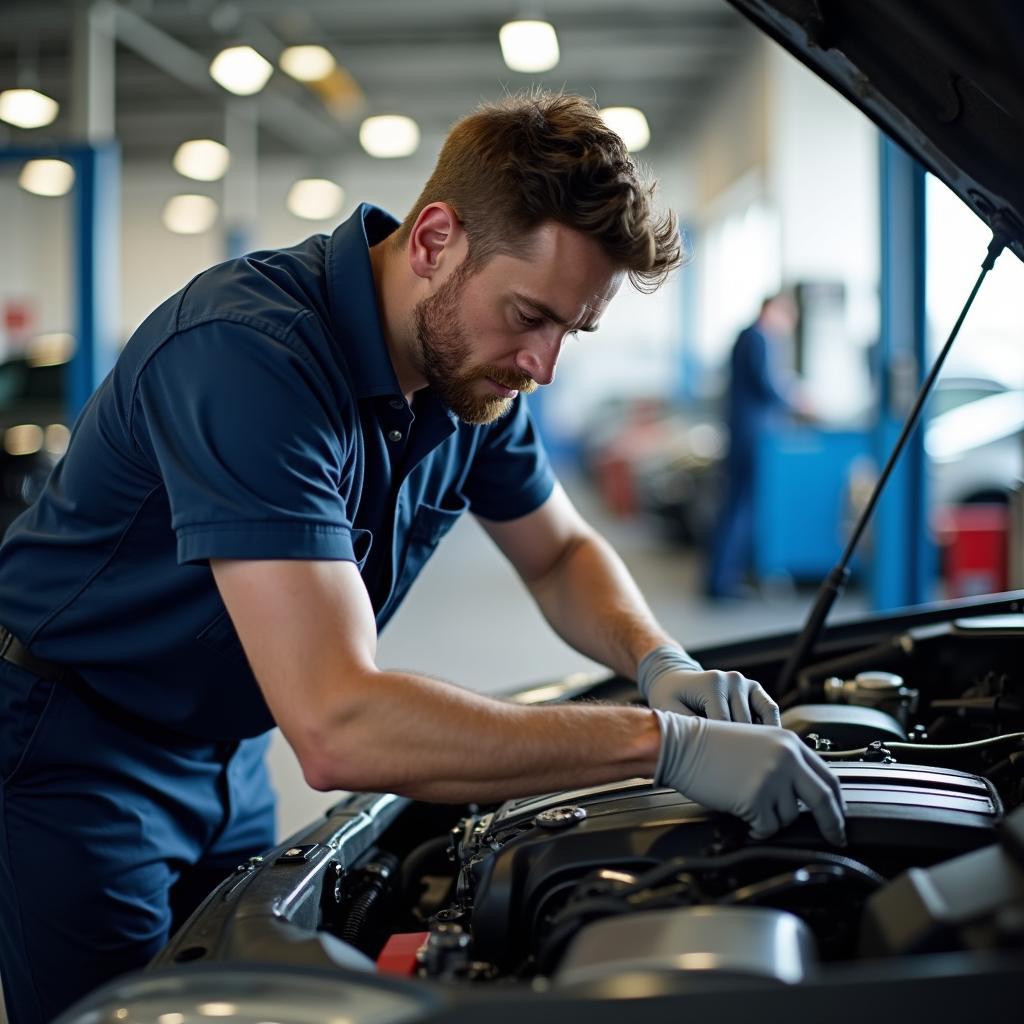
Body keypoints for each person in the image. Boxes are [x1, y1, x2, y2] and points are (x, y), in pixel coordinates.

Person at [0, 94, 844, 1022]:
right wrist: (663, 744)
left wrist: (657, 660)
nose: (542, 365)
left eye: (570, 329)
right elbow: (340, 725)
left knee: (226, 996)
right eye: (530, 315)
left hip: (228, 742)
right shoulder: (250, 356)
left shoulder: (469, 379)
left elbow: (559, 551)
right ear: (435, 239)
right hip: (76, 745)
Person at [706, 293, 804, 599]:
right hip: (750, 436)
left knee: (737, 504)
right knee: (741, 506)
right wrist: (796, 399)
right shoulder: (757, 339)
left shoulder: (747, 337)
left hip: (742, 432)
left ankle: (723, 578)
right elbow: (766, 385)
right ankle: (722, 582)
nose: (787, 327)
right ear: (772, 310)